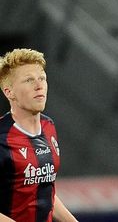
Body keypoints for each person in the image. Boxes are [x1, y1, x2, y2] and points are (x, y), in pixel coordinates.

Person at [0, 48, 77, 222]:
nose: (39, 85)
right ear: (9, 92)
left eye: (42, 78)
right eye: (29, 80)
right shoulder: (2, 137)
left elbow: (45, 190)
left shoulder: (48, 125)